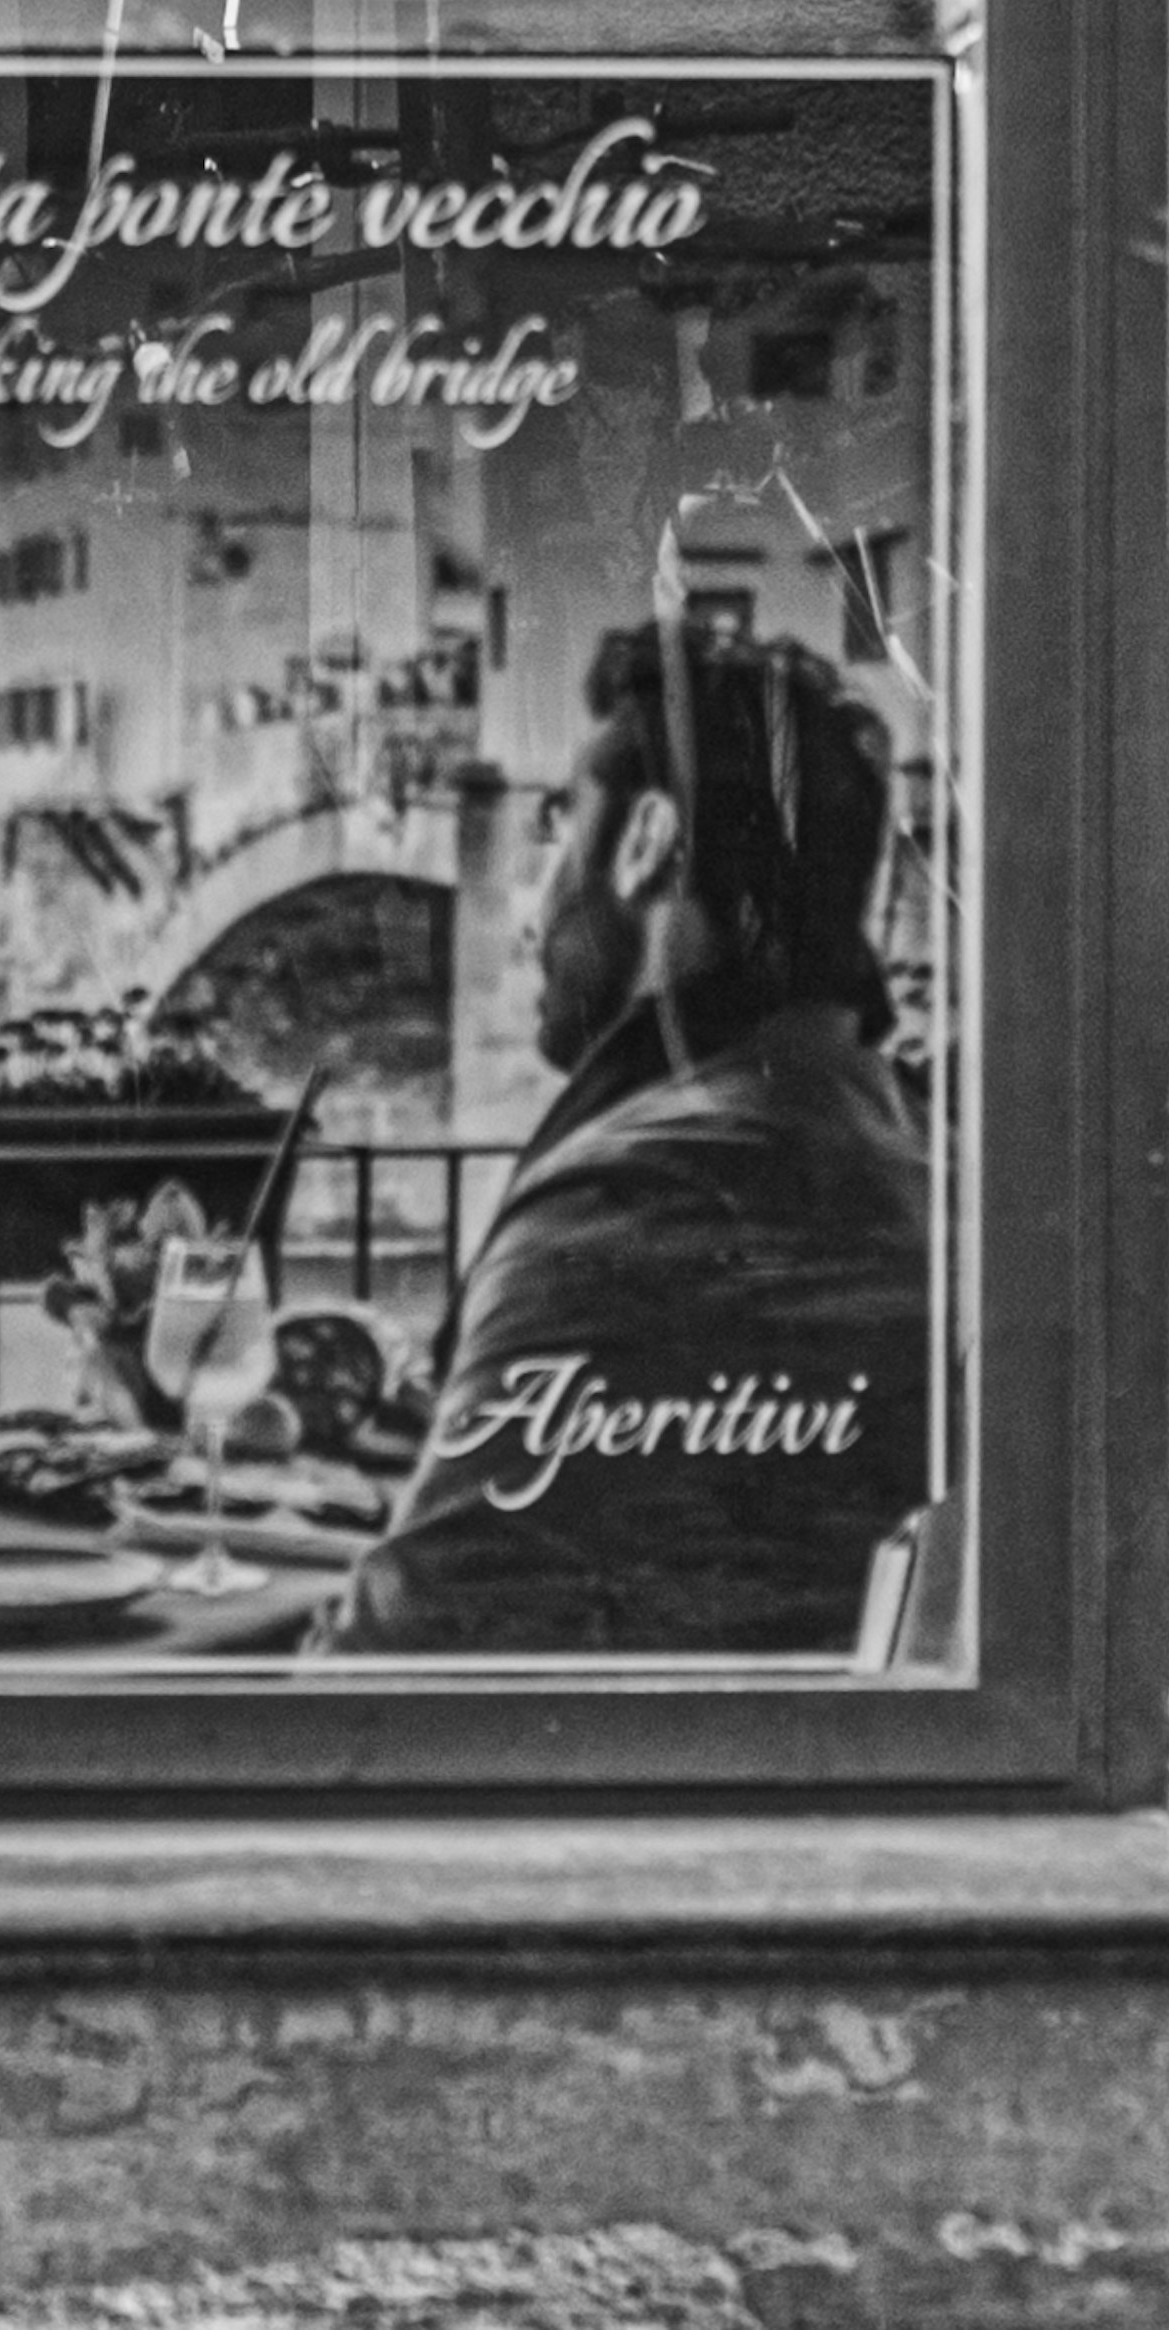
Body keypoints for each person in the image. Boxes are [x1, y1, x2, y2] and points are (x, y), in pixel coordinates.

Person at [333, 618, 928, 1658]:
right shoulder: (908, 1142)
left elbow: (398, 1673)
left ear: (648, 840)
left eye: (565, 828)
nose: (534, 909)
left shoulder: (644, 1198)